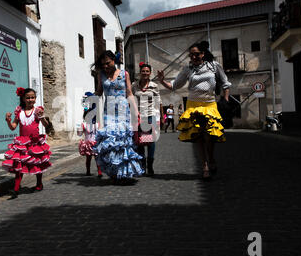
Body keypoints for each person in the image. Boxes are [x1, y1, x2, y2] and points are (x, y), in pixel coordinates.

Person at [157, 41, 231, 180]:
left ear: (203, 54)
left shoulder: (214, 66)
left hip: (209, 105)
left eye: (196, 54)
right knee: (198, 137)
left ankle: (211, 158)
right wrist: (162, 81)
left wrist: (225, 99)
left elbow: (225, 83)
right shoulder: (187, 69)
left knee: (210, 136)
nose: (194, 57)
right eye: (191, 55)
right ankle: (204, 166)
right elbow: (174, 86)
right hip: (193, 106)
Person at [93, 50, 144, 181]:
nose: (105, 66)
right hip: (108, 112)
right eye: (103, 64)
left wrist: (135, 110)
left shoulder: (124, 73)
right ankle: (115, 172)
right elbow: (99, 92)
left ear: (114, 60)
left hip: (123, 111)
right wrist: (89, 101)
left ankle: (125, 172)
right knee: (111, 142)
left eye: (107, 63)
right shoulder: (101, 75)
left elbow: (129, 93)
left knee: (123, 141)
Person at [2, 87, 51, 198]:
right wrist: (8, 121)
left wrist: (42, 116)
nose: (30, 100)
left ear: (35, 98)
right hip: (22, 143)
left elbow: (46, 125)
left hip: (35, 142)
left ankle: (39, 184)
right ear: (23, 99)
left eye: (32, 97)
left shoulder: (37, 111)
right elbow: (13, 127)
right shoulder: (19, 112)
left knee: (37, 163)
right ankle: (16, 188)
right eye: (28, 98)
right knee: (19, 165)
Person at [131, 62, 163, 176]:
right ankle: (142, 165)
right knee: (139, 142)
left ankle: (150, 165)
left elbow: (159, 102)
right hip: (138, 117)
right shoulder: (134, 85)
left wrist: (161, 118)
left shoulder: (154, 86)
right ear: (140, 72)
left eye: (147, 71)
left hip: (150, 116)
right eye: (143, 71)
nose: (145, 73)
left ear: (150, 73)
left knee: (150, 141)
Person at [77, 107, 102, 178]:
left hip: (95, 143)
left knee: (97, 158)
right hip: (88, 144)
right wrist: (79, 128)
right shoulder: (84, 125)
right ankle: (88, 171)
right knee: (88, 158)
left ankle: (99, 172)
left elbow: (99, 133)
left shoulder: (97, 124)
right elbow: (79, 134)